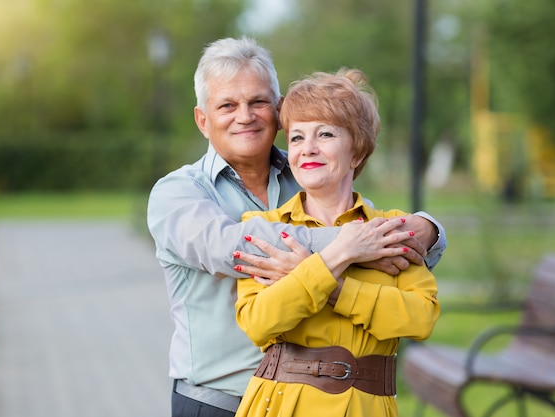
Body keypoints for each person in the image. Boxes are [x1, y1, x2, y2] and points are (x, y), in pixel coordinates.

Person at [147, 37, 446, 417]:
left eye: (258, 102)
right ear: (203, 120)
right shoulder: (179, 193)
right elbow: (234, 248)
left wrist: (429, 228)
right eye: (227, 105)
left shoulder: (313, 171)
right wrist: (350, 248)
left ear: (278, 110)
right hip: (217, 400)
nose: (245, 116)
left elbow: (394, 255)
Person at [234, 68, 440, 417]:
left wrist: (331, 286)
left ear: (357, 151)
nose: (307, 149)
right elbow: (258, 323)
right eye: (297, 138)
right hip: (281, 405)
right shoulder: (264, 228)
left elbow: (420, 319)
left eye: (325, 134)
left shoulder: (389, 230)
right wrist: (341, 253)